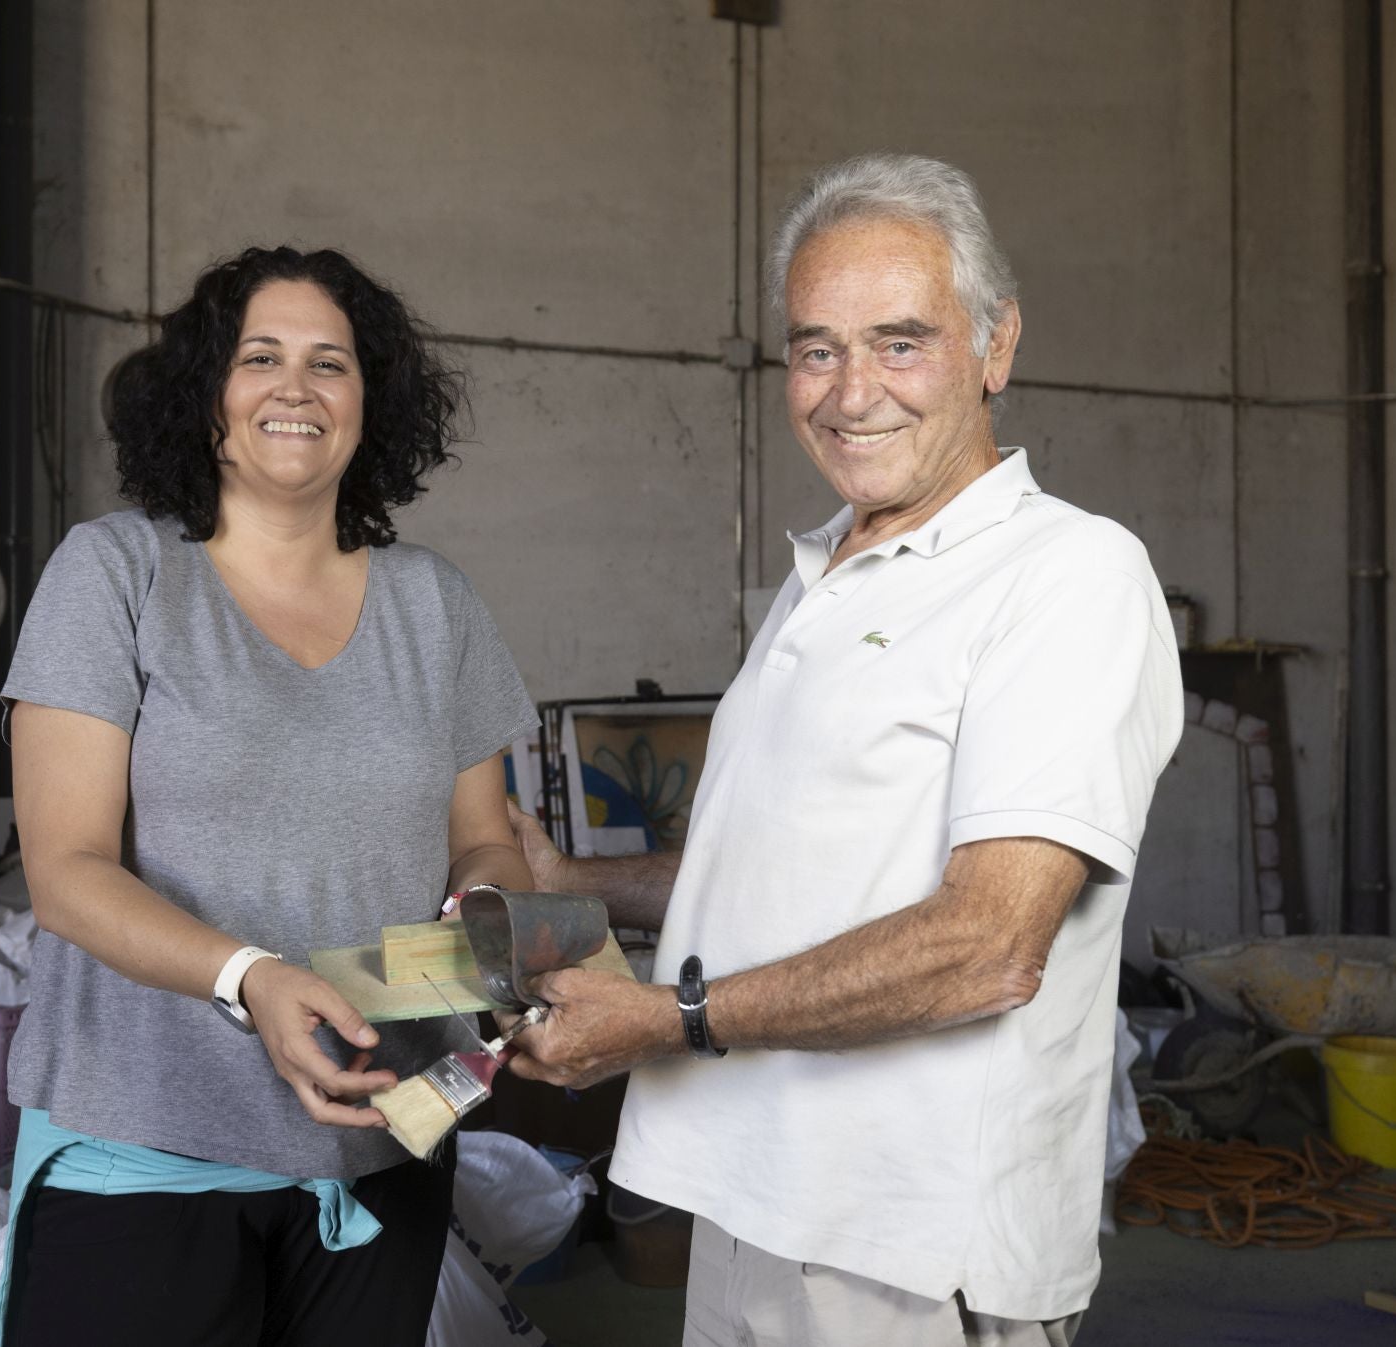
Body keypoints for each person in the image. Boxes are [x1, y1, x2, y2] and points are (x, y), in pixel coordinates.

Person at [503, 153, 1183, 1346]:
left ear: (996, 346)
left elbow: (987, 946)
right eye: (816, 349)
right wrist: (573, 886)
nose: (851, 391)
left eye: (901, 342)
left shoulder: (1066, 576)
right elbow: (792, 871)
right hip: (752, 1201)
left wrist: (670, 1021)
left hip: (908, 1250)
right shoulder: (824, 573)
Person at [0, 245, 537, 1345]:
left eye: (330, 363)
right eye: (260, 358)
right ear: (207, 396)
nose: (296, 387)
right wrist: (252, 981)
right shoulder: (116, 575)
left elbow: (488, 846)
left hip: (383, 1149)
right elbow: (66, 874)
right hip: (143, 1155)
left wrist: (487, 951)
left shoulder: (436, 607)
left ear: (369, 404)